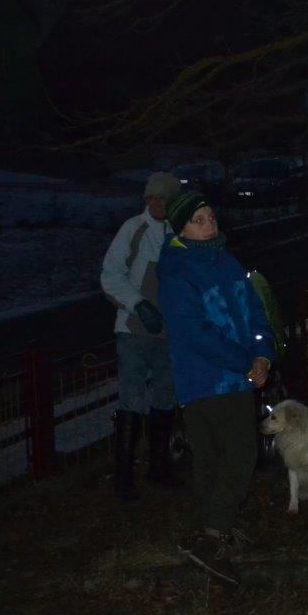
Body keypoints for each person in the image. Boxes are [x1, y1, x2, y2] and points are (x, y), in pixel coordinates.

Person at [157, 191, 274, 587]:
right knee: (237, 453)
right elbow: (195, 333)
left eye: (210, 217)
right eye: (198, 220)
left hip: (237, 374)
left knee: (216, 457)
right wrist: (245, 361)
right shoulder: (178, 273)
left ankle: (213, 533)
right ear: (181, 228)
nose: (208, 225)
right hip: (206, 379)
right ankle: (213, 534)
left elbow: (255, 312)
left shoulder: (228, 263)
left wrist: (262, 353)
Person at [99, 170, 183, 500]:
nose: (158, 203)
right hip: (133, 331)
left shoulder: (181, 232)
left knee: (164, 397)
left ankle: (158, 468)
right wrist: (138, 305)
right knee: (131, 400)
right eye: (153, 197)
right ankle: (124, 477)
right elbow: (110, 275)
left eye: (164, 198)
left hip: (170, 332)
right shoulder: (132, 229)